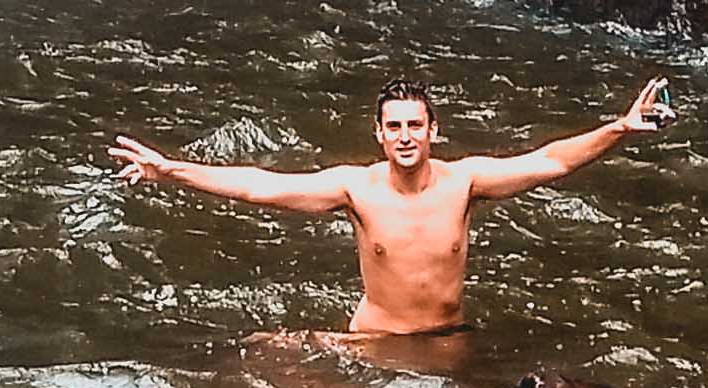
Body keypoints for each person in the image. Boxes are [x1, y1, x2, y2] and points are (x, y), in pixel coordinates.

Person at [109, 73, 673, 338]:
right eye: (394, 126)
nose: (406, 136)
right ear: (379, 134)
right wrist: (170, 170)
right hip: (375, 345)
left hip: (446, 341)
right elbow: (263, 186)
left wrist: (619, 127)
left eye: (415, 126)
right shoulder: (357, 190)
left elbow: (550, 160)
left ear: (433, 131)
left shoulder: (466, 182)